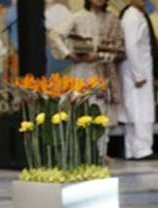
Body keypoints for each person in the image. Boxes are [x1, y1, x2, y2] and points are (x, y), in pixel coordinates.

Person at [48, 0, 124, 161]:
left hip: (104, 70)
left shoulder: (113, 20)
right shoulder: (79, 17)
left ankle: (101, 153)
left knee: (103, 111)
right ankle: (80, 151)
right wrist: (69, 54)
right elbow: (54, 34)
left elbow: (120, 48)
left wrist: (99, 56)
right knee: (81, 108)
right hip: (83, 71)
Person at [119, 0, 158, 160]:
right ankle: (142, 149)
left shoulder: (137, 14)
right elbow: (130, 46)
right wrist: (138, 74)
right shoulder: (131, 16)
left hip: (138, 68)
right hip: (137, 70)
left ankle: (132, 149)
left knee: (135, 110)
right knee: (140, 111)